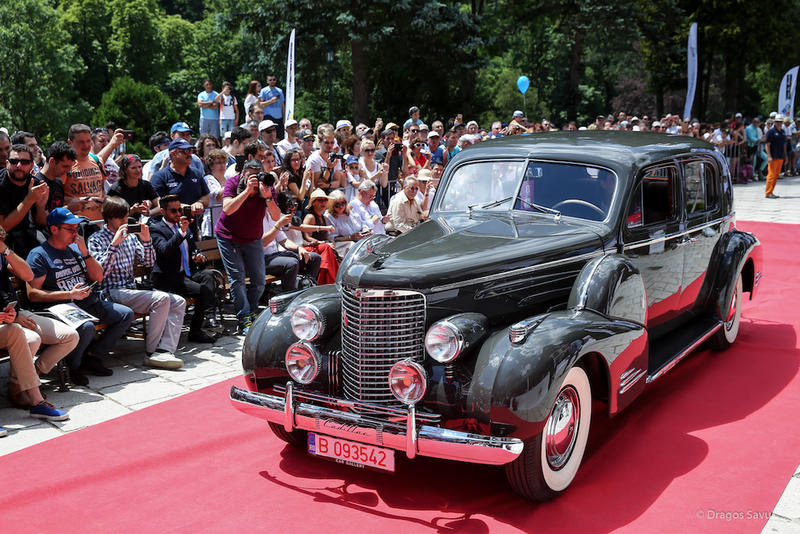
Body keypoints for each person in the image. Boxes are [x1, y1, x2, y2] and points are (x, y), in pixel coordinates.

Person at [26, 208, 135, 386]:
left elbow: (99, 277)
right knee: (87, 328)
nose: (76, 233)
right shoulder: (39, 255)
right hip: (60, 307)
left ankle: (94, 357)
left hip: (87, 302)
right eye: (70, 229)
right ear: (54, 229)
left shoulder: (75, 250)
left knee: (125, 314)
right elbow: (33, 295)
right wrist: (70, 294)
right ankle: (74, 366)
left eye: (77, 229)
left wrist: (85, 253)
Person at [88, 197, 186, 369]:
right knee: (161, 299)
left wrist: (147, 241)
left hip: (130, 290)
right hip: (109, 291)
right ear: (109, 218)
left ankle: (164, 350)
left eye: (126, 217)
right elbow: (100, 274)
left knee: (178, 301)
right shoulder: (96, 239)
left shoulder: (131, 237)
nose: (125, 222)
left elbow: (148, 262)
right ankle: (151, 353)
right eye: (120, 218)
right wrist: (114, 244)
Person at [0, 225, 78, 419]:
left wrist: (6, 250)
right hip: (11, 321)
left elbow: (28, 276)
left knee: (70, 336)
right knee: (31, 338)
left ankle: (20, 383)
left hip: (15, 314)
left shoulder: (3, 255)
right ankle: (33, 398)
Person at [214, 159, 278, 333]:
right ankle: (243, 319)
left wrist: (268, 197)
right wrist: (248, 190)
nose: (255, 180)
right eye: (251, 176)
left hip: (252, 238)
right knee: (238, 278)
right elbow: (227, 208)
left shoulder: (266, 186)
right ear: (242, 174)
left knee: (259, 281)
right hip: (228, 237)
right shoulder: (233, 183)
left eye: (257, 176)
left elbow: (276, 215)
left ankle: (251, 312)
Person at [150, 195, 216, 343]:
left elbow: (193, 247)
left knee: (208, 275)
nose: (179, 213)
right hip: (169, 278)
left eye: (180, 209)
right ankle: (198, 328)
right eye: (174, 211)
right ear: (162, 211)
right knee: (203, 291)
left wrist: (198, 254)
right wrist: (181, 232)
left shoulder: (183, 226)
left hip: (186, 273)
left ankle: (209, 317)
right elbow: (165, 250)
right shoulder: (156, 230)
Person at [64, 124, 123, 221]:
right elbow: (58, 196)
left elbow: (102, 191)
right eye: (81, 142)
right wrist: (84, 201)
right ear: (70, 142)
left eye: (88, 141)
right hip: (76, 225)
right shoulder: (65, 164)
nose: (86, 145)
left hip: (99, 223)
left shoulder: (97, 161)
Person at [0, 144, 48, 258]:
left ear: (32, 165)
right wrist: (29, 200)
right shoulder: (1, 185)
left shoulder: (35, 183)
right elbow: (2, 228)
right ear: (7, 163)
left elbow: (41, 223)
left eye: (25, 162)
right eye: (13, 161)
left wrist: (41, 207)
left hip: (27, 234)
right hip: (4, 240)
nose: (19, 166)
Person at [262, 208, 321, 293]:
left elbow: (284, 240)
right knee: (292, 263)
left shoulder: (270, 213)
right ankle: (289, 297)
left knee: (314, 258)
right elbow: (263, 242)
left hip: (275, 255)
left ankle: (306, 289)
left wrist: (299, 248)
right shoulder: (254, 215)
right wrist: (278, 225)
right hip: (261, 259)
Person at [150, 139, 210, 221]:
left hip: (193, 225)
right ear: (173, 154)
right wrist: (182, 207)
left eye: (190, 150)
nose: (189, 154)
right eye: (185, 151)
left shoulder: (196, 173)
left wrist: (199, 203)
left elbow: (206, 196)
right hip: (169, 228)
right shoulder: (159, 177)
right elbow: (158, 203)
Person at [301, 189, 339, 284]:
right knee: (326, 248)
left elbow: (326, 236)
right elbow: (306, 237)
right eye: (320, 200)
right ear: (313, 203)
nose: (323, 202)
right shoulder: (310, 217)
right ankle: (327, 281)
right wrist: (323, 243)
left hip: (321, 247)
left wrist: (331, 242)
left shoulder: (323, 217)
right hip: (310, 246)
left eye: (325, 200)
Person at [107, 155, 158, 221]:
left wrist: (149, 212)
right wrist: (132, 211)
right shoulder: (116, 189)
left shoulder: (145, 185)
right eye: (133, 168)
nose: (138, 170)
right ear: (125, 170)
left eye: (140, 167)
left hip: (138, 223)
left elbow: (160, 205)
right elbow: (113, 215)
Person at [35, 141, 75, 216]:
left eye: (70, 167)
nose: (68, 171)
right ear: (52, 161)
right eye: (65, 166)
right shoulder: (37, 183)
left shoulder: (58, 182)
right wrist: (69, 208)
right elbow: (41, 219)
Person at [325, 190, 367, 256]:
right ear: (332, 205)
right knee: (353, 247)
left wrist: (365, 231)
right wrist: (350, 238)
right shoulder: (329, 217)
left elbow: (361, 225)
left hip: (356, 241)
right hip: (341, 245)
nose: (341, 206)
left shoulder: (349, 212)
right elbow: (333, 238)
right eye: (337, 205)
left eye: (343, 203)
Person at [305, 127, 344, 193]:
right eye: (326, 143)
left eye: (332, 142)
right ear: (319, 142)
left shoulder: (334, 157)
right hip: (315, 196)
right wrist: (329, 168)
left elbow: (338, 182)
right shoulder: (314, 159)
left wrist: (327, 185)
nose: (330, 145)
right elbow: (318, 185)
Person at [202, 149, 228, 237]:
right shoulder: (208, 179)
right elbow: (218, 196)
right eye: (219, 163)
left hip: (224, 227)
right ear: (212, 166)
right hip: (211, 229)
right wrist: (233, 183)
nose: (222, 165)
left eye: (224, 162)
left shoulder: (226, 179)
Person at [764, 114, 786, 199]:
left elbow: (784, 144)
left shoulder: (783, 132)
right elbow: (767, 145)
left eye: (780, 121)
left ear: (782, 122)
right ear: (775, 122)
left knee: (776, 175)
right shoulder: (771, 131)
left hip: (780, 156)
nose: (779, 123)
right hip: (773, 156)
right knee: (771, 175)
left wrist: (785, 156)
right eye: (777, 121)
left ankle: (771, 192)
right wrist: (769, 156)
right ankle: (768, 192)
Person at [258, 73, 285, 139]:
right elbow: (260, 104)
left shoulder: (279, 91)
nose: (272, 81)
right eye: (270, 80)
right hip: (268, 116)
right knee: (269, 135)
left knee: (279, 136)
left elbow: (282, 105)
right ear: (267, 81)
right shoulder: (264, 91)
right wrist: (271, 101)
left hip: (279, 117)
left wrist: (284, 117)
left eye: (274, 79)